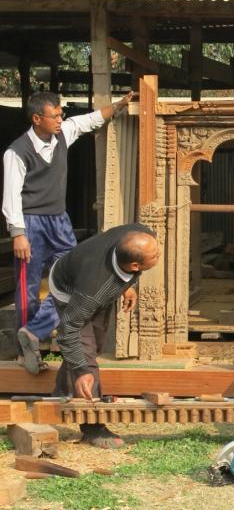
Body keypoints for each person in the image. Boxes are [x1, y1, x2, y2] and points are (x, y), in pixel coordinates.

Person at [3, 90, 135, 374]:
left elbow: (92, 119)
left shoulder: (64, 133)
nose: (60, 120)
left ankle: (33, 332)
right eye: (55, 116)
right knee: (27, 289)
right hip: (30, 223)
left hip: (59, 221)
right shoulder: (16, 152)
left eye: (61, 114)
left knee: (75, 279)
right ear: (37, 119)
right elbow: (10, 194)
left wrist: (119, 105)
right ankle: (26, 352)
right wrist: (18, 233)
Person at [49, 223, 159, 448]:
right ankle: (93, 428)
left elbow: (127, 269)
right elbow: (68, 328)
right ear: (135, 265)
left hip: (93, 282)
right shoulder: (95, 288)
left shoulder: (139, 234)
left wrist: (126, 286)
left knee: (93, 345)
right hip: (69, 291)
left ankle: (55, 401)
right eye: (155, 255)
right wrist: (81, 370)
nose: (159, 253)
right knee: (86, 359)